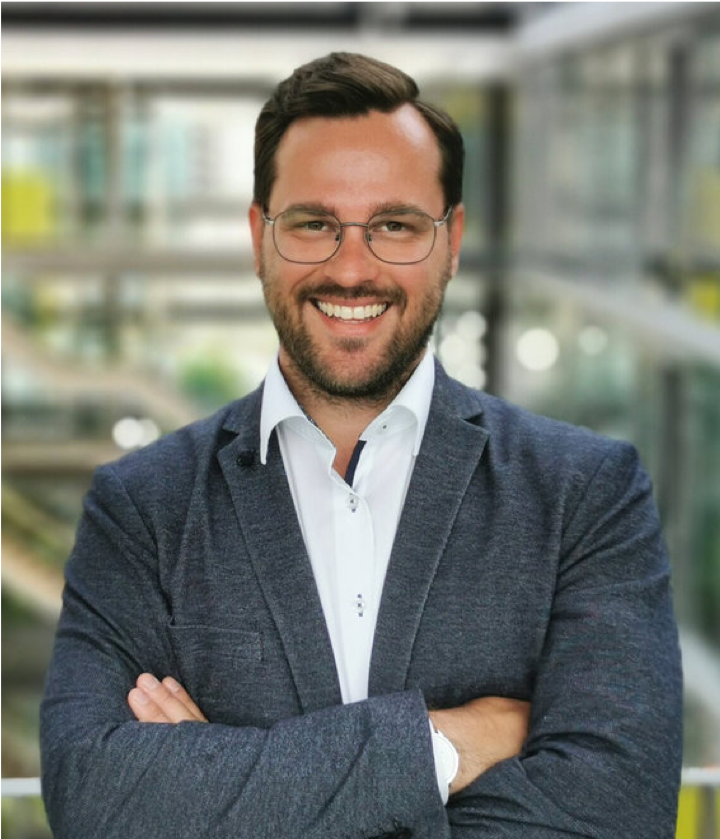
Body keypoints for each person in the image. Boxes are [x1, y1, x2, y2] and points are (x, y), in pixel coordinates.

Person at [40, 52, 683, 839]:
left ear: (451, 240)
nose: (352, 268)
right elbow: (95, 801)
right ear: (258, 237)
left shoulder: (585, 495)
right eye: (313, 223)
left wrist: (223, 784)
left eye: (395, 226)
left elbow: (618, 813)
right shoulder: (142, 507)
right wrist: (440, 745)